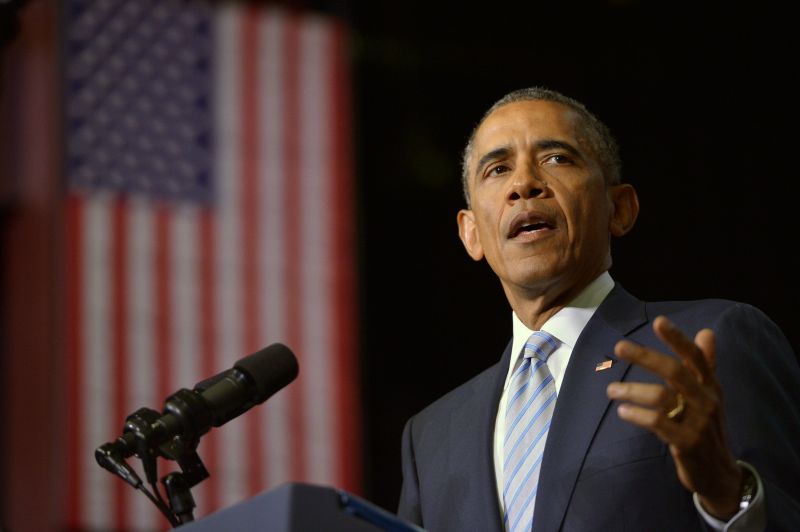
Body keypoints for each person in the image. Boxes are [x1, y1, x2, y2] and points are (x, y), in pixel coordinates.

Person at [396, 87, 800, 532]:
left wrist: (728, 492)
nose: (523, 184)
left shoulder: (703, 347)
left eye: (556, 159)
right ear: (470, 233)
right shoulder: (430, 436)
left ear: (620, 209)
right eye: (497, 169)